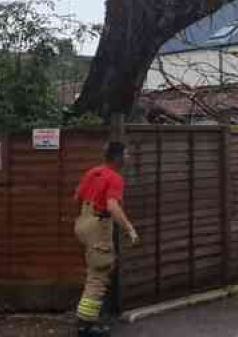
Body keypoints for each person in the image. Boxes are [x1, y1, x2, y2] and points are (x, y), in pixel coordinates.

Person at [74, 142, 139, 336]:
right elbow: (112, 206)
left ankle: (86, 320)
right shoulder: (115, 178)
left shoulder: (93, 172)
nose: (128, 158)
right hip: (99, 225)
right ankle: (86, 326)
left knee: (94, 272)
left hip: (83, 222)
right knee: (98, 276)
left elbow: (76, 197)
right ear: (117, 157)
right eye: (126, 155)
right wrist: (129, 229)